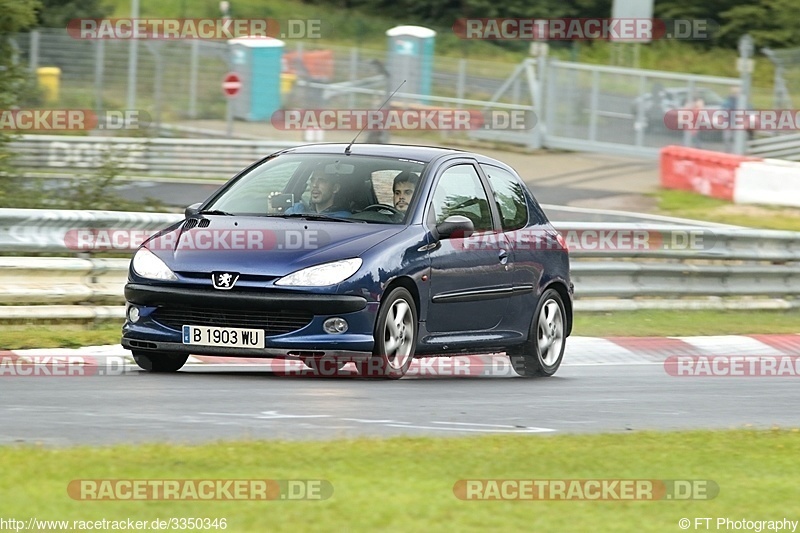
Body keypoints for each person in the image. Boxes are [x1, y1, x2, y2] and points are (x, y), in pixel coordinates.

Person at [285, 164, 351, 217]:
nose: (314, 185)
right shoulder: (297, 210)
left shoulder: (343, 218)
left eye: (321, 181)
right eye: (312, 180)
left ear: (335, 188)